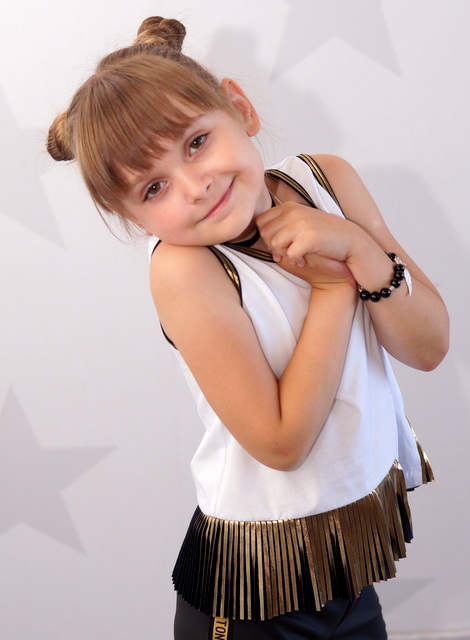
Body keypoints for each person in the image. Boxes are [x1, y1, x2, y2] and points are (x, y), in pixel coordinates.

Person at [46, 16, 449, 640]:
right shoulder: (186, 268)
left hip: (346, 569)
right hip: (255, 595)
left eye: (196, 142)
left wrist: (359, 249)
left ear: (240, 108)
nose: (195, 186)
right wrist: (334, 288)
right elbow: (281, 443)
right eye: (154, 188)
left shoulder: (326, 180)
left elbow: (429, 346)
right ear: (135, 220)